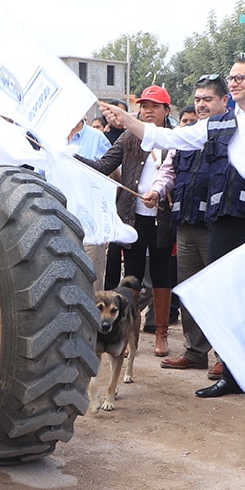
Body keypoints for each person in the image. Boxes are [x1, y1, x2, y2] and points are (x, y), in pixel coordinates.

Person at [100, 56, 245, 410]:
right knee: (224, 305)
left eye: (241, 77)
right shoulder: (216, 125)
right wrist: (128, 120)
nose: (234, 82)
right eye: (231, 77)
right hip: (220, 222)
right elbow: (168, 135)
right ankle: (233, 376)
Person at [81, 85, 176, 357]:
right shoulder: (127, 137)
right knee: (131, 276)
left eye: (155, 106)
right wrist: (72, 158)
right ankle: (126, 330)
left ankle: (161, 333)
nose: (148, 111)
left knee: (161, 273)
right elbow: (102, 166)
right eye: (144, 106)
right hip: (131, 217)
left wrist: (163, 193)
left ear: (166, 111)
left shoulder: (176, 138)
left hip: (162, 217)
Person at [159, 74, 225, 375]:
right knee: (189, 291)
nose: (201, 105)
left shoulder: (231, 135)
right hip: (185, 225)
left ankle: (226, 357)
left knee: (220, 292)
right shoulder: (184, 136)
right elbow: (168, 172)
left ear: (224, 101)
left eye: (207, 99)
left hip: (218, 227)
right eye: (198, 99)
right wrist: (156, 191)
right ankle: (195, 351)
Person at [68, 114, 113, 289]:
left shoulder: (97, 138)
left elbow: (113, 174)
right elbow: (41, 177)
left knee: (91, 283)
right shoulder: (50, 138)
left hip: (91, 224)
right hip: (57, 222)